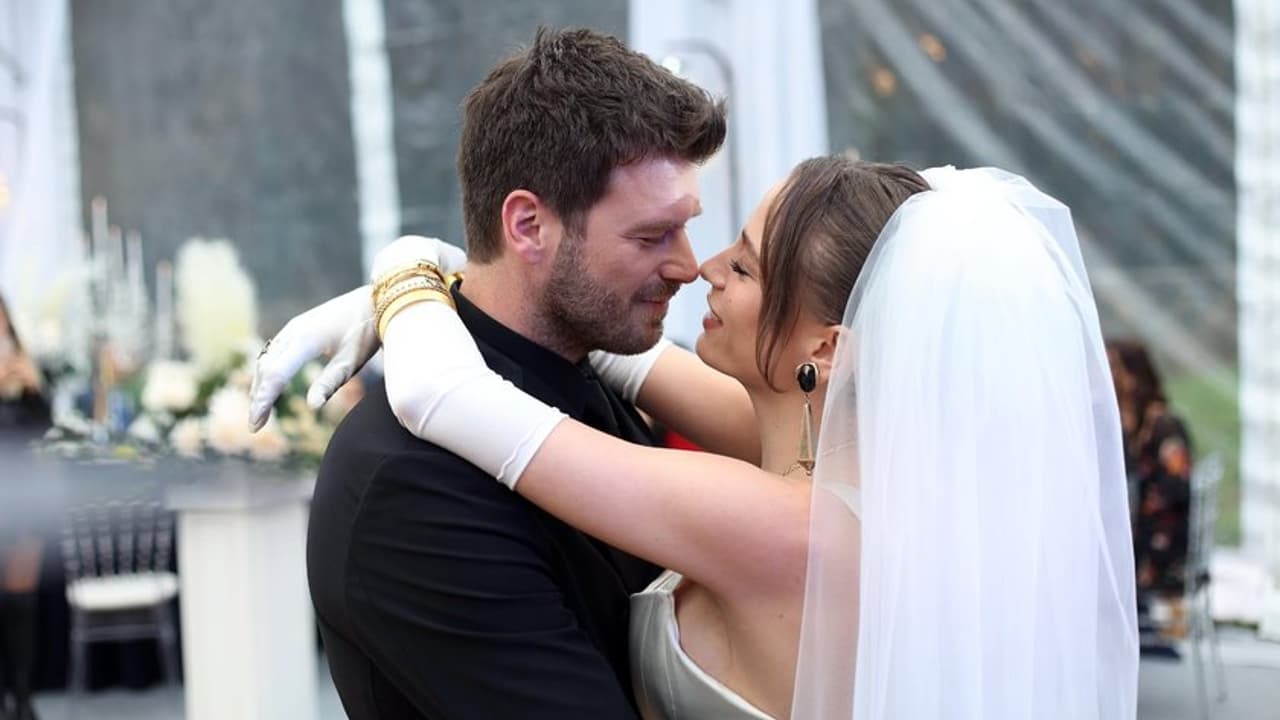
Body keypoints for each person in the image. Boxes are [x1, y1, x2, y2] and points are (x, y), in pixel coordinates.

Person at [254, 160, 1139, 718]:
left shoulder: (784, 528)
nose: (699, 268)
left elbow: (442, 394)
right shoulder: (850, 457)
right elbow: (613, 348)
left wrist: (402, 267)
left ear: (827, 350)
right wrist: (467, 271)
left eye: (744, 264)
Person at [252, 27, 726, 719]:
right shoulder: (411, 485)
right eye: (652, 235)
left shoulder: (591, 361)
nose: (689, 266)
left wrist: (412, 271)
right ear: (528, 226)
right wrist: (412, 275)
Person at [1107, 339, 1194, 632]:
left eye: (1115, 368)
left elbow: (1178, 486)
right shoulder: (1132, 424)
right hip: (1143, 532)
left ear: (1134, 375)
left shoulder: (1163, 423)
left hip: (1160, 540)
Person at [0, 293, 51, 720]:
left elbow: (46, 429)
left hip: (23, 493)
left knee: (21, 602)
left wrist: (35, 389)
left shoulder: (23, 365)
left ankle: (22, 695)